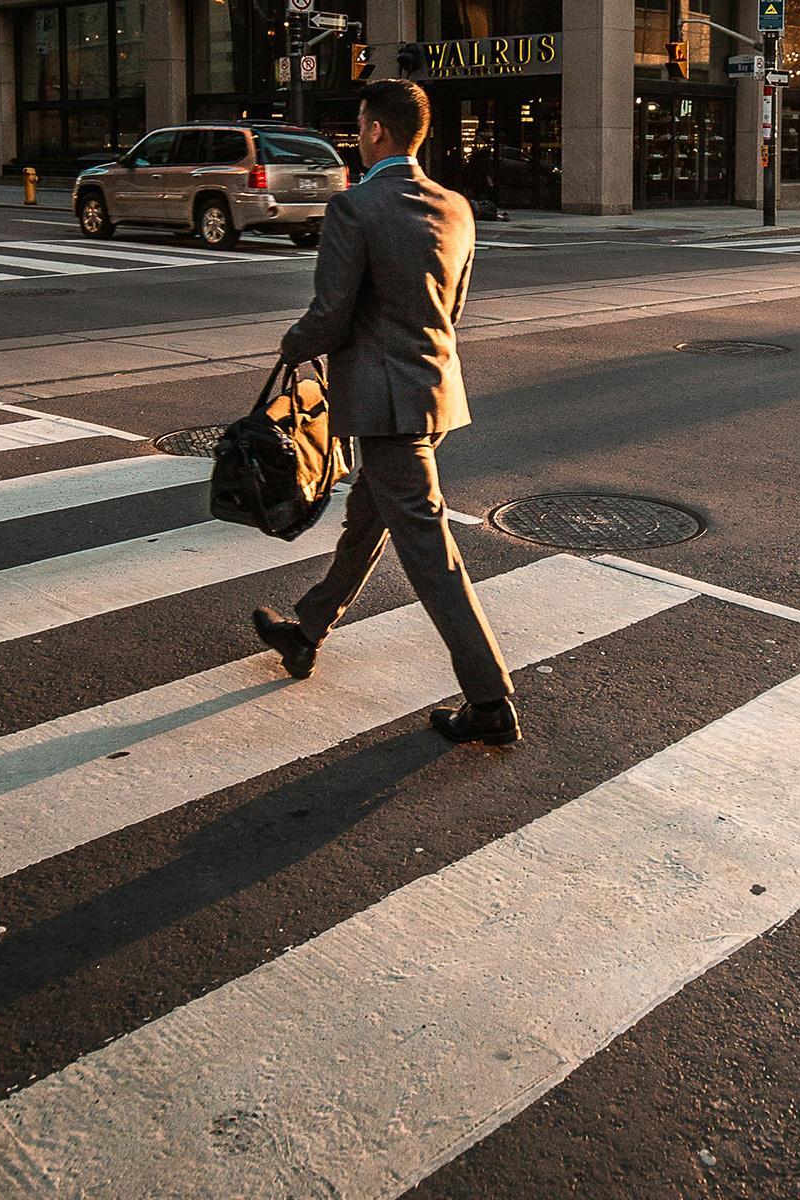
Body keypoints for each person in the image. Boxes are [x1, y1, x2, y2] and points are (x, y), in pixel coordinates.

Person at [252, 78, 520, 747]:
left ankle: (490, 700)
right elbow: (450, 312)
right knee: (367, 519)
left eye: (361, 125)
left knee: (431, 553)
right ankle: (307, 631)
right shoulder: (455, 206)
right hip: (433, 392)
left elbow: (331, 314)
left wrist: (294, 346)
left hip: (383, 401)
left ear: (376, 131)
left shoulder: (356, 207)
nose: (358, 135)